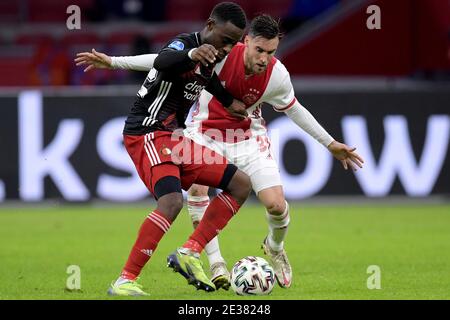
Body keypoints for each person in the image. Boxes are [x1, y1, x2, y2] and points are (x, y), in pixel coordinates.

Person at [76, 15, 364, 291]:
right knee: (197, 191)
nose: (264, 58)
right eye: (259, 49)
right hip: (206, 133)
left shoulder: (277, 74)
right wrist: (115, 62)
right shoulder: (223, 52)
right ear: (247, 41)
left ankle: (275, 248)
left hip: (248, 138)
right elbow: (165, 61)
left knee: (275, 204)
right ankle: (213, 264)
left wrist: (329, 143)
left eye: (271, 51)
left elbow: (295, 110)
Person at [79, 2, 252, 296]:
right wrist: (190, 54)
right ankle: (125, 280)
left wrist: (227, 101)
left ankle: (190, 250)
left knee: (240, 184)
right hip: (147, 130)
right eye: (225, 40)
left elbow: (205, 80)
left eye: (233, 43)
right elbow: (163, 61)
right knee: (171, 203)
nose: (227, 48)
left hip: (174, 138)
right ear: (210, 25)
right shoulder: (185, 44)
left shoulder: (209, 58)